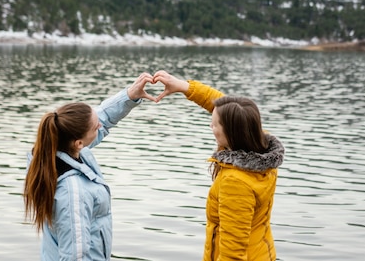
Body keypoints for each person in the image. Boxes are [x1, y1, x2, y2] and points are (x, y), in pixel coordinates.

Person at [24, 72, 157, 261]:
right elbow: (74, 257)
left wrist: (129, 96)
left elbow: (102, 116)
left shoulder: (54, 152)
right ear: (78, 142)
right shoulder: (72, 192)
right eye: (96, 127)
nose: (100, 126)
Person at [153, 70, 285, 261]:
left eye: (214, 124)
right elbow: (228, 107)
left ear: (230, 133)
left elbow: (233, 253)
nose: (211, 127)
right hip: (263, 253)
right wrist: (184, 87)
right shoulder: (262, 151)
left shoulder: (236, 183)